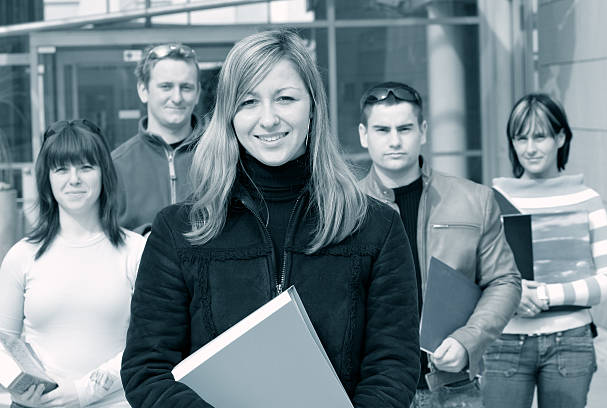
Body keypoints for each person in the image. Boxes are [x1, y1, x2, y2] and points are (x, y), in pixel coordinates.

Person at [120, 29, 421, 407]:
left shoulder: (375, 227)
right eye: (248, 101)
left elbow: (393, 366)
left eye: (285, 98)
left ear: (313, 106)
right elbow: (147, 370)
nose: (268, 119)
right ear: (229, 115)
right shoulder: (178, 231)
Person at [357, 81, 522, 407]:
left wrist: (468, 340)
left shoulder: (475, 200)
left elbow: (505, 281)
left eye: (404, 128)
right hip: (374, 389)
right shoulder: (343, 209)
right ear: (364, 135)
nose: (394, 141)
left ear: (424, 131)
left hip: (453, 388)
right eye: (382, 130)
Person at [0, 119, 146, 407]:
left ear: (104, 174)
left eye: (86, 167)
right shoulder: (21, 256)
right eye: (62, 169)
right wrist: (17, 388)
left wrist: (83, 391)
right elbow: (3, 342)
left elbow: (147, 344)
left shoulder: (136, 251)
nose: (74, 179)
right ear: (47, 179)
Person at [482, 93, 607, 408]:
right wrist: (509, 295)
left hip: (571, 343)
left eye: (539, 136)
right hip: (503, 344)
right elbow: (474, 278)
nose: (529, 148)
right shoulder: (490, 200)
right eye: (520, 137)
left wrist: (543, 296)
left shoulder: (587, 199)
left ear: (561, 137)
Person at [112, 42, 202, 234]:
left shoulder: (224, 157)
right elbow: (104, 238)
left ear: (197, 94)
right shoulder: (115, 166)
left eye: (186, 87)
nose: (177, 97)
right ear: (143, 90)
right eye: (166, 87)